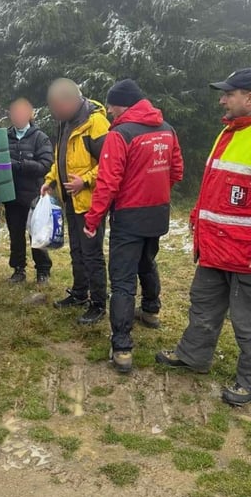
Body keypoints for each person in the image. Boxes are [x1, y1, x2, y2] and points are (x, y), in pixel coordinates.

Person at [156, 68, 251, 406]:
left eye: (229, 93)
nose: (222, 99)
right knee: (203, 305)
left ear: (249, 97)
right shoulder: (230, 132)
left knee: (246, 322)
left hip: (245, 255)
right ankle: (193, 356)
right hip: (216, 247)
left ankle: (248, 381)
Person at [84, 79, 184, 373]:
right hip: (157, 213)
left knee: (123, 280)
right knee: (147, 261)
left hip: (129, 216)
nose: (111, 112)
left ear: (122, 104)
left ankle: (122, 347)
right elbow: (176, 170)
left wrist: (93, 218)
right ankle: (151, 310)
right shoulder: (167, 129)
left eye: (112, 106)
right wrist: (156, 193)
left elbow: (108, 182)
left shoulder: (121, 134)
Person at [41, 78, 109, 325]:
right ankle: (80, 293)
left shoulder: (96, 123)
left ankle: (99, 302)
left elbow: (111, 164)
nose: (53, 113)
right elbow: (62, 158)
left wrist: (86, 180)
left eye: (56, 107)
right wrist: (50, 180)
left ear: (70, 101)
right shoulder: (66, 122)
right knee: (77, 251)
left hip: (91, 203)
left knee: (92, 254)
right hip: (71, 201)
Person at [5, 97, 54, 284]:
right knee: (15, 234)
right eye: (15, 112)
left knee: (37, 234)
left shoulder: (40, 137)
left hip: (34, 195)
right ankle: (18, 270)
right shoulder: (4, 136)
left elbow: (45, 165)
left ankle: (43, 271)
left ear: (30, 114)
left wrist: (19, 165)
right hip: (11, 195)